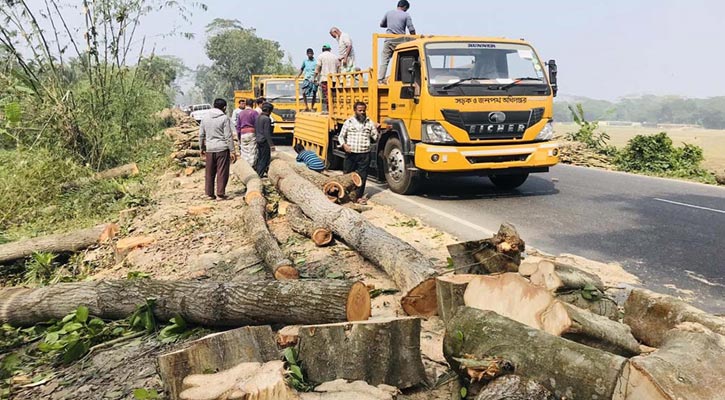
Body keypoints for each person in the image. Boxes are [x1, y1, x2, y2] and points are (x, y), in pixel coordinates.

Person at [338, 101, 379, 204]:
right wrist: (344, 145)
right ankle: (345, 196)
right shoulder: (349, 122)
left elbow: (375, 137)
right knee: (347, 175)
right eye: (360, 110)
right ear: (355, 111)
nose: (362, 112)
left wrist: (378, 130)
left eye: (363, 110)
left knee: (362, 176)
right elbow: (341, 136)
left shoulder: (369, 123)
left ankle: (358, 197)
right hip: (351, 153)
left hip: (364, 154)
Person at [199, 98, 237, 200]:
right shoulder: (224, 118)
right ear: (224, 107)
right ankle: (220, 193)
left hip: (210, 148)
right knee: (222, 171)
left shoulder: (205, 118)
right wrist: (232, 150)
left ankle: (209, 194)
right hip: (222, 148)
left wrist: (201, 148)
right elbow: (228, 136)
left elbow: (201, 135)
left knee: (209, 172)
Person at [379, 0, 416, 83]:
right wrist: (415, 39)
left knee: (385, 60)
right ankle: (400, 79)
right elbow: (411, 29)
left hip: (388, 40)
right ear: (405, 7)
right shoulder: (406, 15)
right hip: (400, 41)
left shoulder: (388, 13)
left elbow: (381, 24)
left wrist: (389, 24)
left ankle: (380, 79)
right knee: (402, 59)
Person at [314, 44, 339, 113]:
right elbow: (338, 67)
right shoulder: (335, 57)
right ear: (330, 49)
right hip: (333, 79)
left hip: (325, 79)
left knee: (326, 95)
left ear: (322, 50)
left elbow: (318, 67)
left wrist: (314, 77)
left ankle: (328, 110)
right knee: (332, 94)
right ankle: (332, 109)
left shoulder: (321, 56)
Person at [254, 102, 276, 177]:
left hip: (258, 139)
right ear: (269, 111)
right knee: (265, 158)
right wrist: (271, 145)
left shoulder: (258, 117)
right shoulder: (267, 119)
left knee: (260, 157)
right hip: (264, 141)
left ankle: (258, 172)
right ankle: (259, 174)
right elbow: (267, 133)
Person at [236, 98, 258, 167]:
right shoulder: (254, 112)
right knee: (252, 150)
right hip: (251, 132)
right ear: (253, 104)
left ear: (246, 104)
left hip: (243, 134)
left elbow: (238, 127)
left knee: (244, 150)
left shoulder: (241, 113)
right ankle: (251, 166)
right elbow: (257, 124)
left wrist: (239, 137)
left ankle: (245, 166)